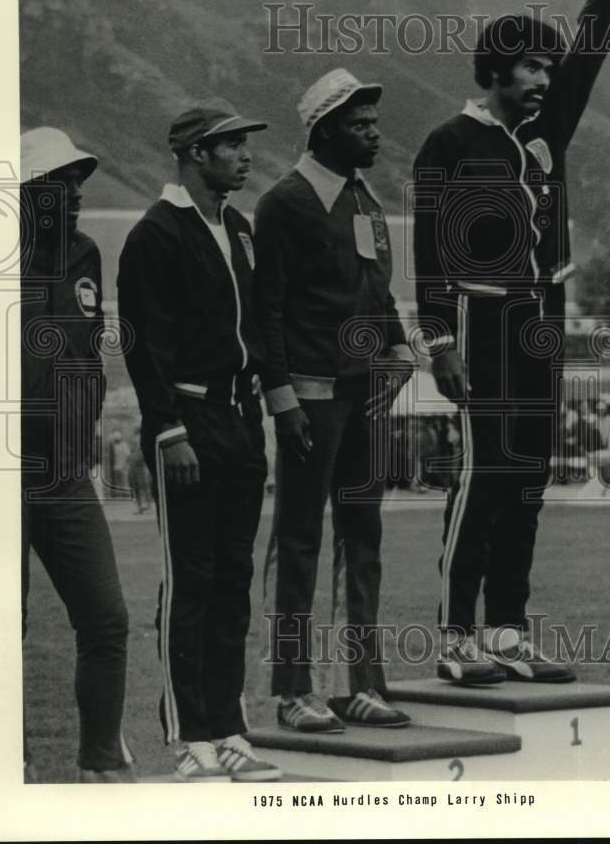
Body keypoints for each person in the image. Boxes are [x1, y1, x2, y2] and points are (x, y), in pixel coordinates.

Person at [412, 0, 610, 684]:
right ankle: (453, 640)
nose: (544, 77)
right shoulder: (448, 143)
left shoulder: (546, 133)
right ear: (496, 71)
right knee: (484, 474)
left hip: (543, 320)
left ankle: (507, 633)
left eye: (547, 64)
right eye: (530, 66)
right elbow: (431, 257)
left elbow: (594, 47)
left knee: (531, 480)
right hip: (478, 325)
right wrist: (436, 342)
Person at [117, 98, 280, 783]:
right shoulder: (156, 234)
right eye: (232, 144)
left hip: (242, 423)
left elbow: (260, 328)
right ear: (194, 155)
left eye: (245, 143)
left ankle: (230, 726)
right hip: (189, 419)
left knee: (234, 580)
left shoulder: (239, 227)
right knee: (192, 579)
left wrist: (281, 406)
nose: (245, 154)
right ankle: (189, 736)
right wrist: (168, 430)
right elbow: (144, 345)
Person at [254, 69, 415, 733]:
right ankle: (294, 691)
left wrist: (401, 347)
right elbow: (265, 310)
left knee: (364, 536)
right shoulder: (284, 204)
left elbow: (378, 289)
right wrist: (280, 396)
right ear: (324, 131)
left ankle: (364, 686)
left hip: (366, 391)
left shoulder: (365, 200)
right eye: (360, 125)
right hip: (312, 395)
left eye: (375, 123)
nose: (374, 134)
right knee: (299, 539)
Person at [20, 127, 134, 783]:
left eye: (79, 182)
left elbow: (87, 351)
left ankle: (99, 762)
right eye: (60, 183)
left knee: (106, 618)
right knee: (8, 625)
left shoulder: (85, 253)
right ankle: (10, 764)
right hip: (2, 472)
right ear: (27, 191)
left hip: (64, 471)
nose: (75, 194)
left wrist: (83, 420)